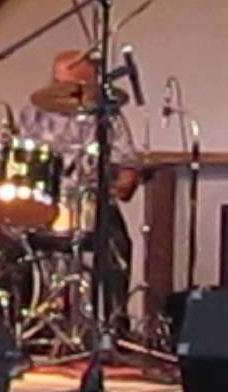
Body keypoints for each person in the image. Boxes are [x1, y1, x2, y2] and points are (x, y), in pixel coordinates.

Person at [17, 49, 141, 324]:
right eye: (58, 81)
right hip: (44, 204)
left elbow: (128, 164)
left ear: (90, 84)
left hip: (91, 202)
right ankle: (36, 324)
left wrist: (125, 180)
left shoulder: (108, 116)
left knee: (116, 244)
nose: (63, 90)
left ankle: (110, 326)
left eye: (72, 85)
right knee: (16, 249)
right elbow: (21, 163)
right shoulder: (32, 114)